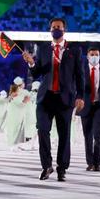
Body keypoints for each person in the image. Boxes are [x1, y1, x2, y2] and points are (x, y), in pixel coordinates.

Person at [25, 18, 84, 181]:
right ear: (50, 30)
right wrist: (31, 63)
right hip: (46, 97)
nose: (55, 29)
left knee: (64, 135)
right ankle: (47, 166)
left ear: (64, 30)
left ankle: (62, 168)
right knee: (43, 131)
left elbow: (80, 75)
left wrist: (80, 96)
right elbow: (37, 73)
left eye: (58, 27)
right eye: (53, 27)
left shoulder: (74, 50)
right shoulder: (43, 49)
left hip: (65, 98)